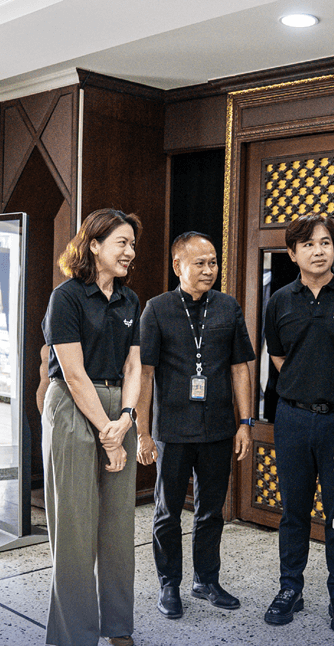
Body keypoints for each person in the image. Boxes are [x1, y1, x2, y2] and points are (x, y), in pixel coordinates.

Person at [41, 208, 142, 646]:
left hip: (119, 409)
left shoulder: (129, 299)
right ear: (94, 245)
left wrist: (126, 417)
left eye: (132, 244)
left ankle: (117, 621)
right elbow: (74, 374)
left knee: (119, 524)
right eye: (122, 242)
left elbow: (134, 365)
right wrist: (108, 432)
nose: (130, 252)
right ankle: (75, 635)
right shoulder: (66, 297)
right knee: (75, 526)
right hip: (74, 407)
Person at [137, 232, 255, 619]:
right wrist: (142, 432)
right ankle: (169, 584)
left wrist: (245, 423)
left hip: (218, 428)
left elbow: (239, 368)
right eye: (199, 263)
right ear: (178, 266)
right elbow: (145, 374)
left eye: (213, 262)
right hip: (172, 430)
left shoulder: (228, 307)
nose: (209, 270)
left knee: (211, 511)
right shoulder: (157, 309)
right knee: (167, 512)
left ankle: (206, 580)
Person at [262, 215, 334, 634]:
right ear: (292, 254)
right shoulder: (280, 300)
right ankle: (290, 587)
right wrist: (303, 386)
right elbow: (278, 356)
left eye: (325, 242)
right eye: (308, 244)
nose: (318, 251)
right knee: (293, 511)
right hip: (292, 418)